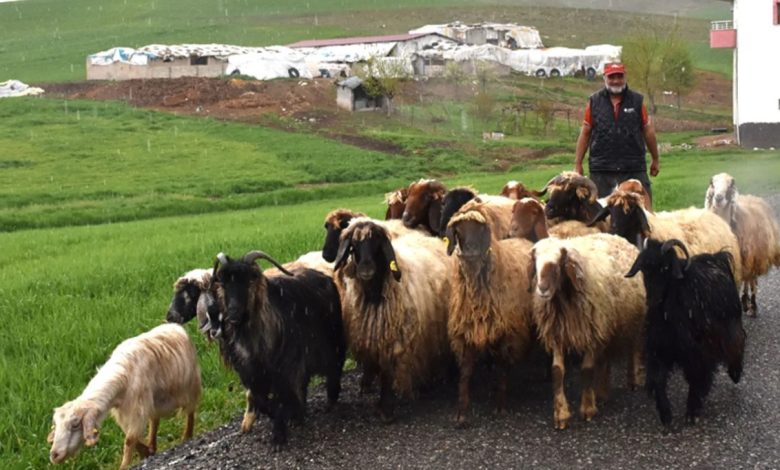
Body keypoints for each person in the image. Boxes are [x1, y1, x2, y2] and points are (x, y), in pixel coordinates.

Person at [574, 62, 660, 200]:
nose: (616, 81)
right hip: (601, 170)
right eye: (611, 77)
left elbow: (648, 131)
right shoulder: (594, 101)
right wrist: (578, 163)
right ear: (604, 78)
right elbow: (585, 132)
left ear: (625, 77)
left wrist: (655, 159)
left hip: (633, 168)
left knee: (644, 215)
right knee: (600, 217)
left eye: (619, 76)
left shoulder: (637, 101)